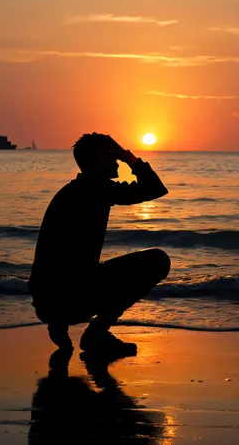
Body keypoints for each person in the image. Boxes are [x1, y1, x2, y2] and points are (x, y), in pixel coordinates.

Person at [29, 132, 170, 357]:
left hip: (46, 303)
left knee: (80, 268)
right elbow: (154, 188)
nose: (117, 161)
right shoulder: (98, 189)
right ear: (100, 160)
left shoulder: (72, 191)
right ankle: (96, 333)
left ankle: (61, 324)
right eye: (113, 156)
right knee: (158, 261)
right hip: (71, 299)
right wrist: (130, 159)